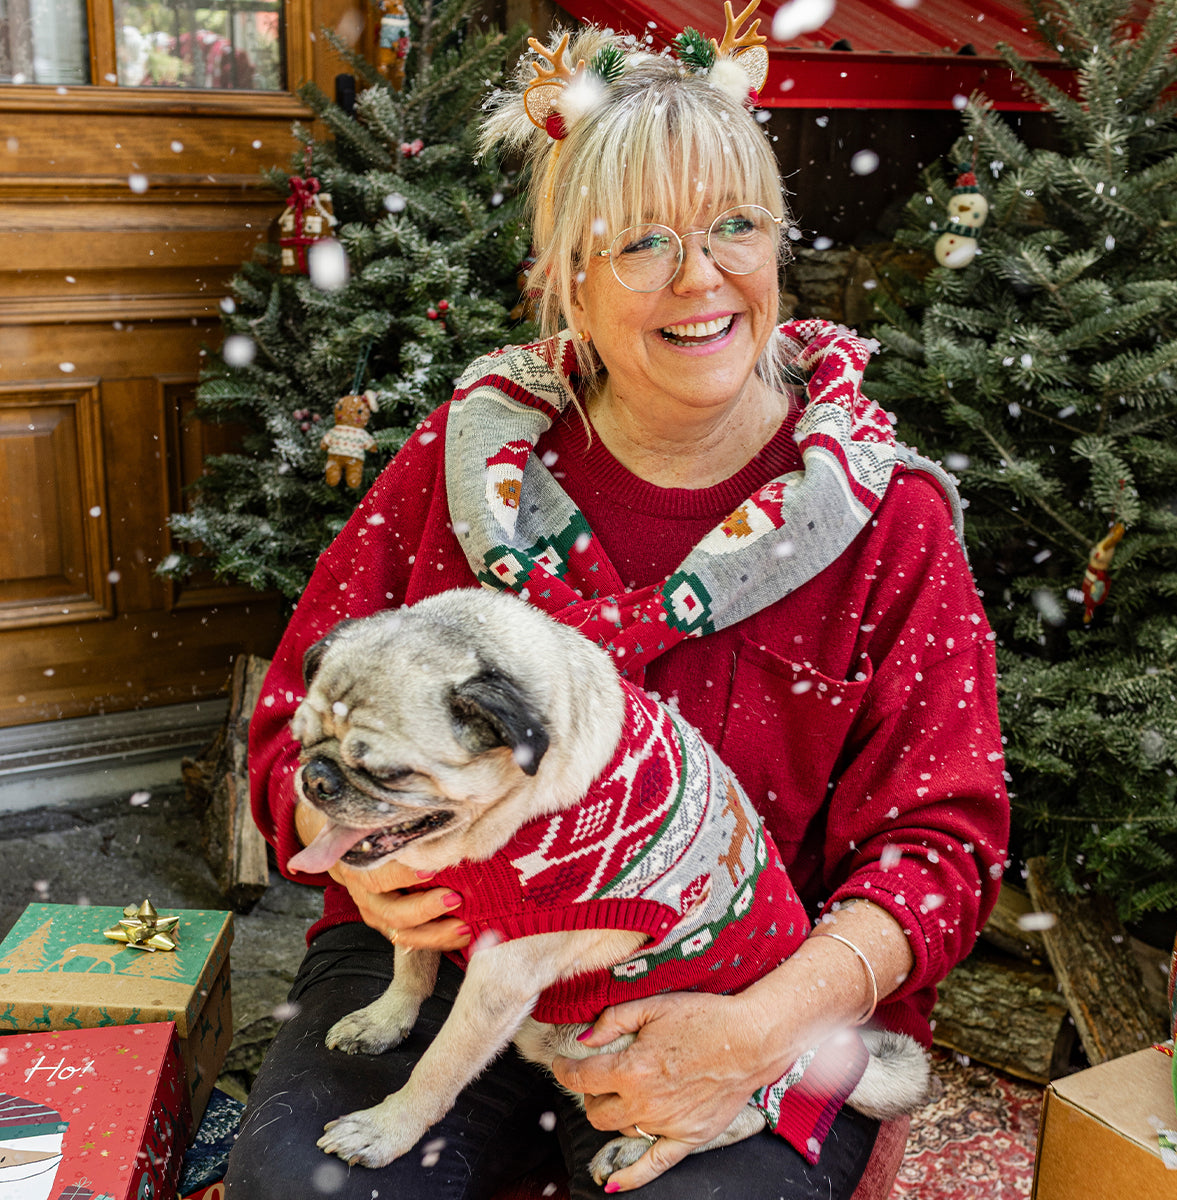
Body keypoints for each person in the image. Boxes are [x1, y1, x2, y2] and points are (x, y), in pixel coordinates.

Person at [227, 12, 1009, 1200]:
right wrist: (363, 865)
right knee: (307, 1190)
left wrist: (755, 1035)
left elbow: (943, 849)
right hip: (449, 957)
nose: (702, 279)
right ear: (565, 278)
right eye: (641, 241)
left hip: (737, 990)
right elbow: (293, 723)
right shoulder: (458, 473)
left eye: (735, 227)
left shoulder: (885, 521)